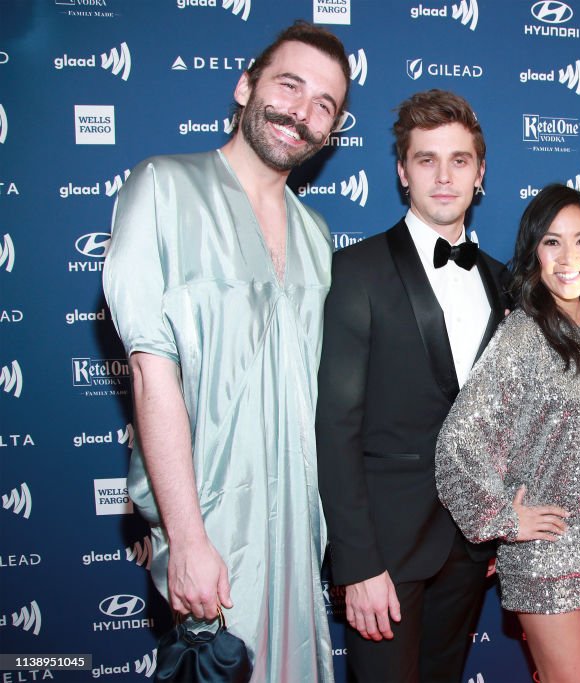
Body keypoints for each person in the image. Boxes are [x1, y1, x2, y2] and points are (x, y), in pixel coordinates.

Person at [102, 21, 350, 682]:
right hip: (210, 526)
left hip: (299, 536)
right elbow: (153, 374)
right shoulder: (161, 187)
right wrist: (185, 538)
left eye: (324, 104)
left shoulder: (317, 235)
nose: (302, 111)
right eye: (290, 86)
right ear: (245, 86)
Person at [316, 89, 507, 683]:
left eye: (459, 160)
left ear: (480, 174)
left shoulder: (503, 282)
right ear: (403, 172)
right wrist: (357, 563)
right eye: (427, 160)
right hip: (385, 550)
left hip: (471, 549)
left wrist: (501, 524)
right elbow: (335, 426)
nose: (444, 176)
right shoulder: (356, 270)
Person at [436, 184, 580, 683]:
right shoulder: (523, 334)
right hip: (549, 555)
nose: (569, 257)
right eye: (553, 242)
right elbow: (459, 443)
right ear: (534, 253)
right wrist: (503, 517)